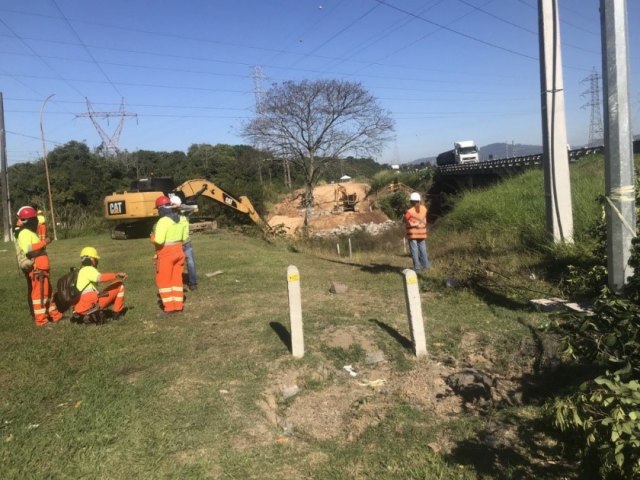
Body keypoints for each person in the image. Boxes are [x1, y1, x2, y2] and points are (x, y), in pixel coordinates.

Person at [15, 205, 64, 326]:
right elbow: (28, 249)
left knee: (48, 293)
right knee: (39, 295)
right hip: (37, 269)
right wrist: (44, 242)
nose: (37, 222)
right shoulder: (24, 233)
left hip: (43, 268)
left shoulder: (30, 232)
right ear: (30, 220)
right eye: (35, 219)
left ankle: (55, 315)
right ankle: (41, 320)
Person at [151, 195, 187, 314]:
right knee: (176, 279)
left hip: (166, 254)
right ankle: (178, 305)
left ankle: (169, 308)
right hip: (179, 251)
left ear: (161, 208)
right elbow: (185, 237)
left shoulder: (162, 221)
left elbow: (159, 241)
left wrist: (152, 238)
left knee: (163, 281)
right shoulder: (183, 219)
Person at [73, 247, 128, 322]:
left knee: (105, 292)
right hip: (91, 304)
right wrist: (116, 275)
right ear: (91, 259)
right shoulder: (88, 269)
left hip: (81, 306)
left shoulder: (81, 271)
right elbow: (100, 278)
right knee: (119, 285)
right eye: (95, 259)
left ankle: (89, 314)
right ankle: (116, 313)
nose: (96, 261)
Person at [169, 194, 198, 291]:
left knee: (190, 263)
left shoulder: (184, 213)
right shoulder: (169, 214)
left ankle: (193, 283)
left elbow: (195, 208)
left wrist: (179, 206)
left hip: (185, 243)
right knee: (176, 264)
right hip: (176, 243)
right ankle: (175, 282)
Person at [404, 192, 430, 274]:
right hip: (422, 233)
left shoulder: (409, 211)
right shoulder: (424, 208)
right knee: (423, 250)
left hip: (413, 234)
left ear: (411, 201)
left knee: (414, 251)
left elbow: (406, 219)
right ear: (419, 200)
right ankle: (426, 267)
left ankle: (417, 268)